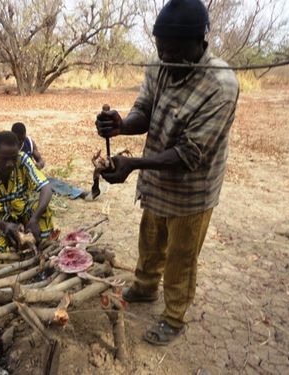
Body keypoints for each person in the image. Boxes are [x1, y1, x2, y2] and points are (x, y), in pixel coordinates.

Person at [95, 0, 239, 346]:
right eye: (162, 51)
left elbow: (190, 153)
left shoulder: (220, 85)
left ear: (200, 43)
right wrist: (120, 125)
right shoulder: (161, 62)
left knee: (181, 257)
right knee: (151, 239)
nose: (166, 59)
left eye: (175, 52)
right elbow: (144, 109)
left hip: (193, 188)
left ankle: (174, 317)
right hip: (158, 179)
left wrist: (133, 165)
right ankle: (145, 287)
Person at [0, 131, 53, 253]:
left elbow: (46, 188)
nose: (10, 164)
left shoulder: (23, 160)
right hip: (0, 222)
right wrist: (4, 226)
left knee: (43, 210)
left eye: (13, 158)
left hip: (25, 215)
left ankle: (45, 249)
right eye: (4, 159)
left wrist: (34, 219)